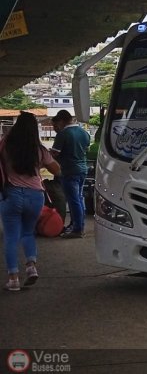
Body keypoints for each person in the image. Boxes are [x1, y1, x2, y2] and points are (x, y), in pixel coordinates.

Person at [0, 112, 61, 291]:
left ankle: (13, 279)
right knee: (28, 233)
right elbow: (57, 170)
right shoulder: (39, 150)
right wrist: (40, 164)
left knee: (11, 237)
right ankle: (31, 266)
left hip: (10, 195)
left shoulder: (5, 147)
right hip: (35, 196)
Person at [50, 110, 90, 239]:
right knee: (78, 199)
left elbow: (54, 154)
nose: (56, 128)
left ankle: (78, 229)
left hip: (69, 170)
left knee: (73, 201)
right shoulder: (84, 132)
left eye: (56, 124)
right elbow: (86, 149)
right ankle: (76, 224)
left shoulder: (63, 134)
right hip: (82, 169)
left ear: (61, 121)